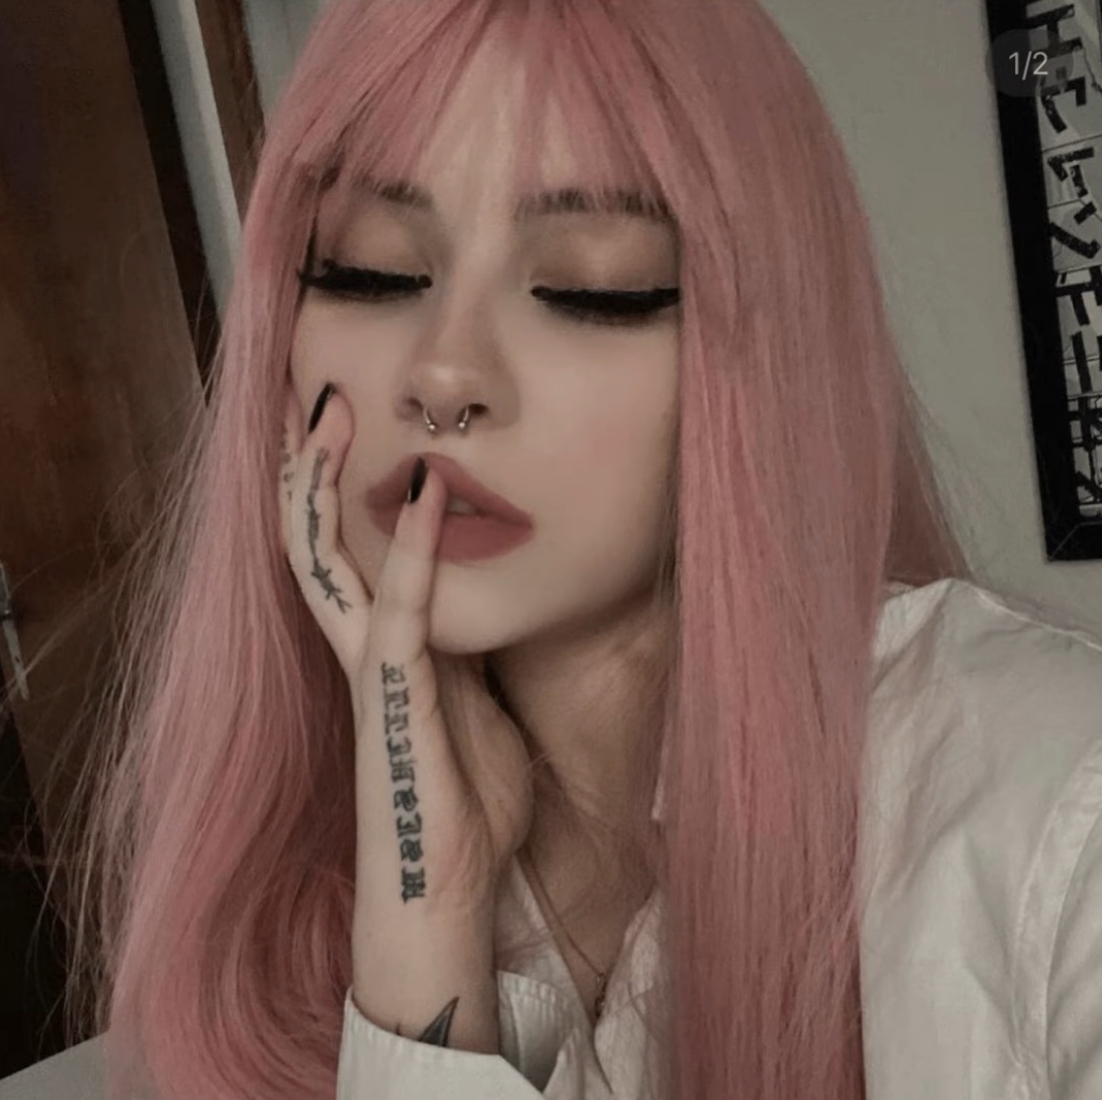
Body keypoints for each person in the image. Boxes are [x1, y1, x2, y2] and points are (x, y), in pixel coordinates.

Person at [21, 1, 1102, 1099]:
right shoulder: (280, 896)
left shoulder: (1055, 818)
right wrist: (426, 916)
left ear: (760, 364)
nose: (444, 374)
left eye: (590, 287)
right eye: (371, 270)